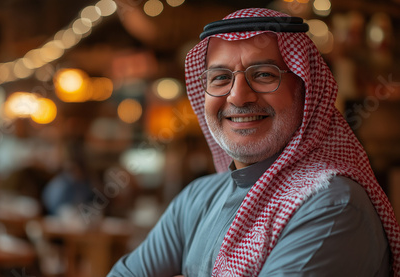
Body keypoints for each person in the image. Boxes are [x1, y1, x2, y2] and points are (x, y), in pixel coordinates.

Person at [108, 8, 400, 277]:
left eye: (263, 75)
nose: (238, 96)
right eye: (220, 78)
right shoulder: (197, 199)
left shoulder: (331, 205)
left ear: (306, 91)